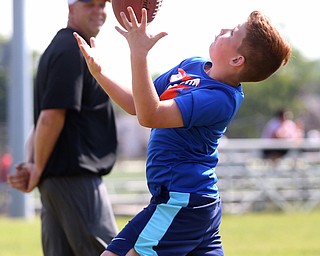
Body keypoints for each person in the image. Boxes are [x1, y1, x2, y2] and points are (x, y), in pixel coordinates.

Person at [74, 7, 291, 256]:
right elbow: (138, 104)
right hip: (182, 200)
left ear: (236, 60)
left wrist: (139, 54)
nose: (222, 30)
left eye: (232, 33)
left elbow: (150, 115)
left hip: (183, 200)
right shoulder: (193, 65)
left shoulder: (220, 99)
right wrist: (100, 73)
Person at [7, 0, 118, 255]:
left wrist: (34, 164)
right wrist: (36, 168)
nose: (99, 11)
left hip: (57, 181)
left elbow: (44, 119)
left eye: (103, 5)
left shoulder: (60, 46)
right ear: (71, 9)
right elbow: (50, 117)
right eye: (90, 4)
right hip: (75, 180)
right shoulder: (71, 47)